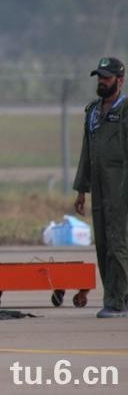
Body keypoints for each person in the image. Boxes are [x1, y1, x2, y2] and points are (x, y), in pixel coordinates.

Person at [73, 57, 128, 318]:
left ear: (120, 80)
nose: (102, 82)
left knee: (119, 243)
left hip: (121, 187)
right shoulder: (93, 111)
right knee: (103, 243)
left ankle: (117, 302)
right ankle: (116, 297)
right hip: (99, 187)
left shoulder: (126, 110)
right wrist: (81, 189)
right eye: (99, 77)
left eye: (106, 78)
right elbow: (87, 152)